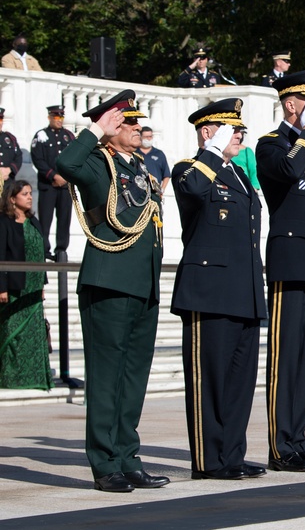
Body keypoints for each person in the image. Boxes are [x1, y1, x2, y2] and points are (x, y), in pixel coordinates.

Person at [57, 90, 168, 493]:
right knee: (106, 379)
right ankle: (105, 463)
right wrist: (94, 129)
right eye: (129, 122)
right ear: (111, 128)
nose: (139, 128)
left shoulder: (140, 167)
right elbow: (64, 163)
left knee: (134, 378)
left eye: (137, 121)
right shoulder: (95, 164)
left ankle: (128, 457)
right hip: (109, 281)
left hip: (143, 283)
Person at [170, 98, 268, 480]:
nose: (239, 135)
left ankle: (232, 455)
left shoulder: (240, 175)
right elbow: (193, 189)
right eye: (230, 129)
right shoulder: (189, 169)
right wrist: (211, 151)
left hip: (243, 290)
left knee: (240, 382)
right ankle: (209, 461)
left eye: (240, 129)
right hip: (208, 291)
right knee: (208, 380)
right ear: (208, 132)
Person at [256, 69, 305, 473]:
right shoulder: (270, 145)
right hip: (289, 261)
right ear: (291, 103)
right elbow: (285, 174)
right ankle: (279, 444)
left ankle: (299, 439)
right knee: (285, 357)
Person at [0, 180, 51, 390]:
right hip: (13, 287)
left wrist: (42, 285)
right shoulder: (3, 222)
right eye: (25, 194)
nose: (30, 197)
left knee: (33, 334)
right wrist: (1, 287)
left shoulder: (34, 222)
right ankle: (12, 378)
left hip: (33, 287)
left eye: (30, 193)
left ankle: (35, 378)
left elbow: (40, 254)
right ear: (12, 198)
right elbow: (1, 255)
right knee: (13, 332)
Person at [30, 105, 75, 259]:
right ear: (49, 117)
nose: (59, 120)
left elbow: (75, 158)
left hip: (65, 186)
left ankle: (61, 250)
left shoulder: (69, 136)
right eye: (56, 117)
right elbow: (38, 159)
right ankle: (44, 249)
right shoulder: (41, 135)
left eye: (61, 117)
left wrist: (65, 177)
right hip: (48, 185)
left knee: (64, 218)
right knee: (45, 219)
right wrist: (53, 176)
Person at [138, 127, 171, 193]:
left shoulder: (159, 154)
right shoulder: (134, 153)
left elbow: (166, 175)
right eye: (146, 137)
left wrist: (162, 189)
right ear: (140, 137)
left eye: (150, 136)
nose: (149, 139)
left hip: (154, 192)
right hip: (138, 190)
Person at [0, 109, 22, 184]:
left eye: (0, 119)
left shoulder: (10, 138)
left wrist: (9, 169)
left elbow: (18, 156)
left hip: (8, 183)